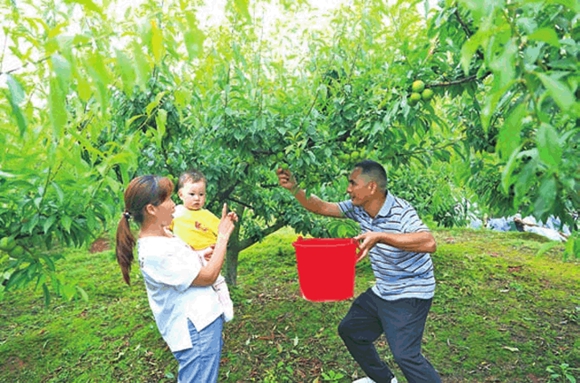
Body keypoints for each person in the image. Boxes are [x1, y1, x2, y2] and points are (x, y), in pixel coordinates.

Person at [277, 160, 441, 383]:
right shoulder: (359, 209)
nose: (348, 189)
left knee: (406, 355)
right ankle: (385, 380)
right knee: (351, 330)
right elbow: (322, 207)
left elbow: (429, 242)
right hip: (384, 289)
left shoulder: (401, 212)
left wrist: (380, 236)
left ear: (371, 187)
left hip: (411, 292)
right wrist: (295, 188)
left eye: (353, 183)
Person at [115, 175, 238, 383]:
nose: (174, 205)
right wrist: (222, 237)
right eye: (168, 200)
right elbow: (208, 277)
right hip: (196, 330)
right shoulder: (155, 251)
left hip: (203, 321)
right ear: (151, 209)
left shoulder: (164, 234)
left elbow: (181, 267)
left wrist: (200, 255)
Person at [169, 169, 234, 322]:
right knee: (192, 283)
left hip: (207, 254)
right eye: (192, 194)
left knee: (217, 281)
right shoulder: (176, 213)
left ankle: (225, 304)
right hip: (187, 255)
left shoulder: (206, 215)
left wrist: (228, 221)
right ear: (180, 194)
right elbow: (166, 230)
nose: (197, 198)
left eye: (201, 194)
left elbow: (221, 231)